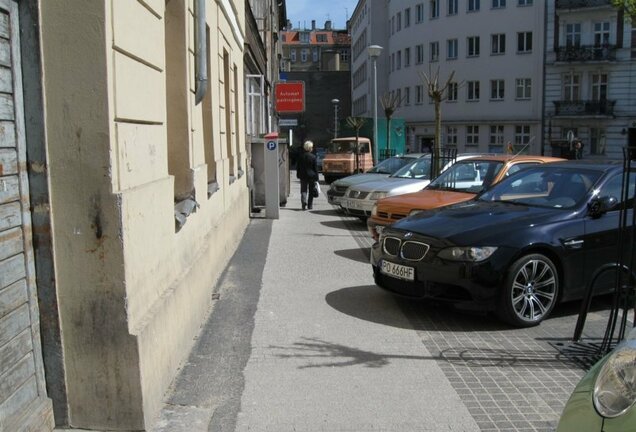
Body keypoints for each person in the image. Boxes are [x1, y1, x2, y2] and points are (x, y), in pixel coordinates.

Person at [296, 140, 319, 210]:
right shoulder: (313, 157)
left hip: (303, 176)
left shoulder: (301, 156)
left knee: (303, 190)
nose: (312, 148)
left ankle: (303, 202)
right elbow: (315, 169)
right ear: (310, 148)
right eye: (311, 147)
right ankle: (310, 205)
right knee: (311, 191)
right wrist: (317, 178)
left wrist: (298, 174)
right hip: (311, 176)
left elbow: (298, 167)